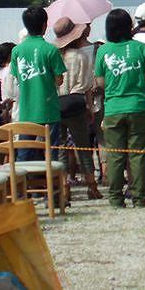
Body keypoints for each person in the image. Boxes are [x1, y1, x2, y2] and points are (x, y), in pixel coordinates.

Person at [94, 9, 145, 208]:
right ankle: (139, 197)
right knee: (138, 155)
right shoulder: (141, 48)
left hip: (113, 108)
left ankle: (116, 198)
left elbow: (100, 82)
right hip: (138, 106)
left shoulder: (103, 50)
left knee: (115, 155)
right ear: (129, 27)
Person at [54, 17, 101, 200]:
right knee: (83, 148)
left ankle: (64, 187)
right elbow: (88, 85)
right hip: (76, 104)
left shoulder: (53, 54)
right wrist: (89, 107)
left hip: (56, 105)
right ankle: (92, 187)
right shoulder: (81, 56)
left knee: (61, 148)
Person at [10, 7, 65, 159]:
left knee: (24, 154)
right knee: (51, 154)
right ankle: (51, 182)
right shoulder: (51, 50)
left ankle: (22, 182)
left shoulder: (16, 51)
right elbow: (59, 80)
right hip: (49, 110)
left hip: (26, 110)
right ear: (44, 25)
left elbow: (17, 77)